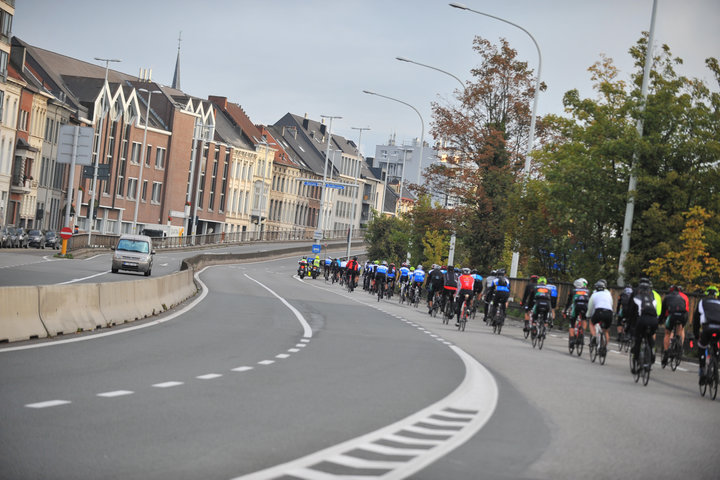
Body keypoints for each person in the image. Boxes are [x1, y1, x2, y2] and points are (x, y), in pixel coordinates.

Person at [628, 278, 662, 373]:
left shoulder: (637, 297)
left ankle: (635, 363)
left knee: (638, 339)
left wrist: (629, 325)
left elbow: (631, 312)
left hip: (642, 320)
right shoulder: (653, 297)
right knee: (650, 336)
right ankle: (652, 350)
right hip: (654, 320)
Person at [692, 286, 720, 384]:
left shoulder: (702, 302)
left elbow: (696, 320)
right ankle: (716, 363)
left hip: (707, 327)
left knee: (702, 346)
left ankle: (702, 369)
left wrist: (696, 334)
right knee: (716, 345)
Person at [661, 285, 689, 367]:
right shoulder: (684, 297)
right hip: (683, 316)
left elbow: (664, 311)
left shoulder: (668, 297)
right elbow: (686, 310)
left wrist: (661, 320)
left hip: (672, 315)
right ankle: (679, 346)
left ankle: (666, 353)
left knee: (667, 333)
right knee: (680, 329)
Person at [587, 279, 614, 355]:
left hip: (599, 311)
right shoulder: (608, 294)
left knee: (591, 323)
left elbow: (590, 307)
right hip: (609, 312)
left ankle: (594, 336)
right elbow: (611, 304)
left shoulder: (594, 295)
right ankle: (604, 348)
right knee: (606, 331)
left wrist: (588, 315)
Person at [564, 278, 590, 349]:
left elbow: (569, 302)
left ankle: (572, 340)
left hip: (576, 307)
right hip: (585, 307)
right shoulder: (588, 291)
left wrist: (565, 310)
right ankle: (582, 333)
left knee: (572, 323)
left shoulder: (573, 290)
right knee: (584, 319)